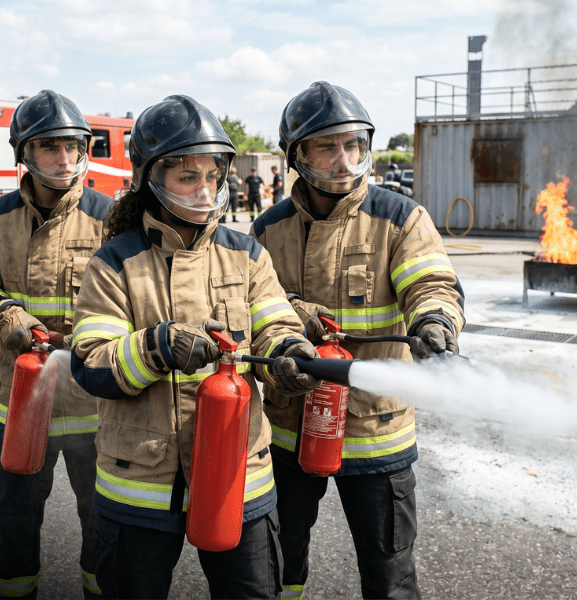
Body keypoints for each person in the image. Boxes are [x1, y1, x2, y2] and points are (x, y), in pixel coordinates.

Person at [70, 94, 321, 600]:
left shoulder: (247, 254)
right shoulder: (114, 263)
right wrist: (155, 346)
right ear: (150, 180)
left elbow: (274, 324)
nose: (205, 189)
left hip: (237, 476)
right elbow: (91, 362)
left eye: (213, 175)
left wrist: (289, 356)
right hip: (139, 483)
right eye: (188, 177)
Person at [252, 81, 465, 599]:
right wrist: (295, 313)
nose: (345, 159)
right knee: (281, 562)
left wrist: (435, 322)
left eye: (354, 144)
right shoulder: (266, 230)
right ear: (297, 155)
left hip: (378, 428)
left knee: (388, 571)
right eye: (326, 146)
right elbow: (247, 308)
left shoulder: (400, 218)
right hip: (290, 426)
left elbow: (432, 284)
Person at [0, 90, 112, 599]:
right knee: (13, 522)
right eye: (49, 147)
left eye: (73, 145)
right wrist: (6, 314)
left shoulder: (112, 218)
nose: (65, 159)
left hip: (97, 407)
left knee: (104, 527)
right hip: (21, 401)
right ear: (22, 153)